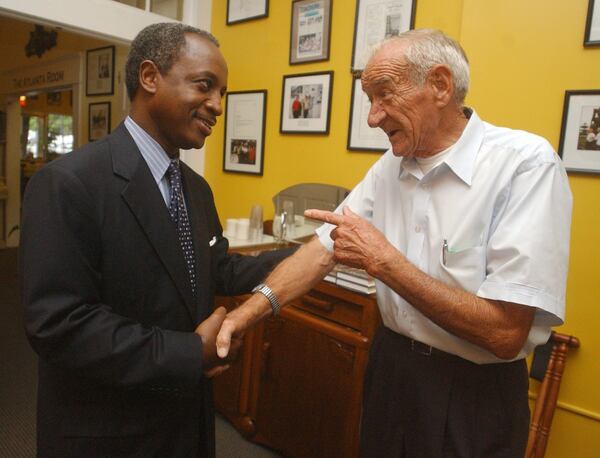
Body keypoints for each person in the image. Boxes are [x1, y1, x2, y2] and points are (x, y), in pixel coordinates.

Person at [216, 29, 572, 457]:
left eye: (384, 95)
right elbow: (321, 250)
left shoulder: (524, 165)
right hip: (392, 370)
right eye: (369, 99)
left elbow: (504, 333)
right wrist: (244, 316)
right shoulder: (390, 167)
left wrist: (384, 262)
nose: (372, 116)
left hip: (472, 393)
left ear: (439, 85)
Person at [20, 23, 291, 458]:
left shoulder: (195, 189)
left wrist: (312, 251)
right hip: (109, 432)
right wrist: (189, 353)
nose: (217, 106)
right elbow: (59, 324)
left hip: (185, 426)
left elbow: (215, 267)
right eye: (205, 85)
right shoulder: (68, 183)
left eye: (222, 92)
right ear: (150, 77)